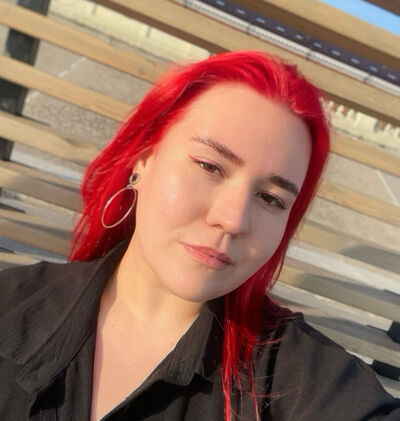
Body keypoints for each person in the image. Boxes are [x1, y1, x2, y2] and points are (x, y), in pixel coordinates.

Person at [0, 50, 399, 421]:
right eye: (210, 166)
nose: (233, 220)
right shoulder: (12, 305)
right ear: (143, 161)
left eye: (271, 199)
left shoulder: (297, 379)